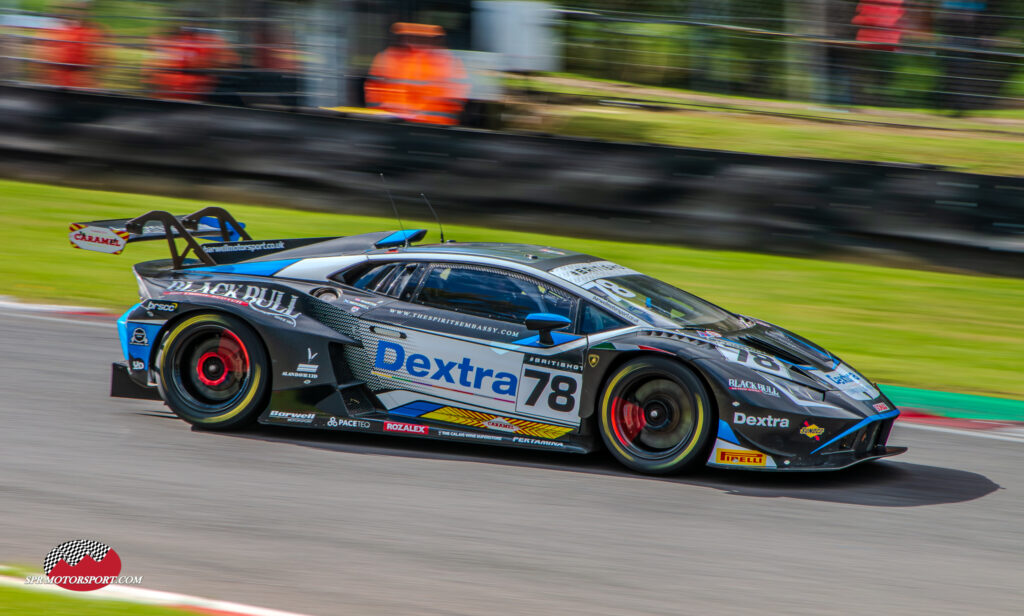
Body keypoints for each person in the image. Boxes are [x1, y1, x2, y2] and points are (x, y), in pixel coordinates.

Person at [364, 22, 468, 126]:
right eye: (411, 36)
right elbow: (373, 91)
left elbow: (459, 96)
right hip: (394, 126)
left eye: (422, 37)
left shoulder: (450, 61)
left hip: (436, 128)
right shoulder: (386, 57)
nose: (416, 39)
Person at [146, 15, 237, 102]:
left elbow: (229, 61)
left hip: (191, 95)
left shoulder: (210, 41)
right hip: (172, 94)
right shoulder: (173, 42)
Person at [38, 1, 106, 89]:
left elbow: (100, 60)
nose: (77, 13)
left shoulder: (93, 32)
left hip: (81, 84)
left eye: (82, 10)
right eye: (75, 9)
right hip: (59, 82)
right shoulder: (57, 30)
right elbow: (45, 55)